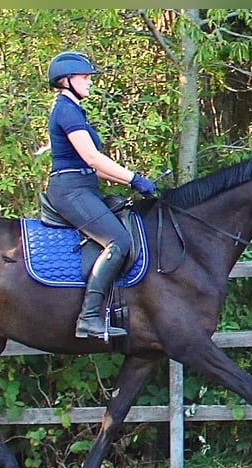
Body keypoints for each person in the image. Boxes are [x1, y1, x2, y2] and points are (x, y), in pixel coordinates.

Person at [44, 51, 156, 340]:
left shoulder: (73, 110)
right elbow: (92, 158)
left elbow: (92, 167)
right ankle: (89, 318)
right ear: (66, 80)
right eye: (84, 77)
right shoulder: (65, 111)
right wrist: (134, 178)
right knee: (118, 241)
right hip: (69, 190)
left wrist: (133, 182)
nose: (89, 82)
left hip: (83, 185)